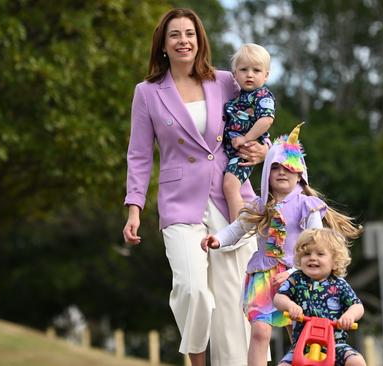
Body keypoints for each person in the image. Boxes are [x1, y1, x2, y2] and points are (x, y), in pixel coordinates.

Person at [122, 8, 270, 366]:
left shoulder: (224, 81)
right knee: (193, 290)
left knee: (235, 306)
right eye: (175, 34)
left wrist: (264, 150)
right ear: (163, 44)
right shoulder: (147, 93)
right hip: (179, 204)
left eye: (190, 33)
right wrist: (134, 209)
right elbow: (140, 156)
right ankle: (197, 361)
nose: (183, 40)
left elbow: (259, 115)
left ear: (199, 40)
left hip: (231, 200)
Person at [201, 124, 362, 366]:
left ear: (300, 174)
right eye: (275, 167)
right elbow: (237, 228)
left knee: (301, 337)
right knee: (260, 332)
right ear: (266, 173)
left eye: (289, 168)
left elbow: (317, 241)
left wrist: (295, 272)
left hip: (298, 279)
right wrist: (218, 239)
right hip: (263, 277)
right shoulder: (259, 206)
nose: (282, 172)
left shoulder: (307, 205)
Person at [273, 228, 366, 366]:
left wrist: (349, 316)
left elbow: (357, 306)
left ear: (335, 261)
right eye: (306, 254)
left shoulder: (339, 284)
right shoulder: (296, 279)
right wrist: (290, 306)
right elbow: (278, 298)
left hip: (335, 344)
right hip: (302, 345)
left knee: (356, 361)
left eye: (320, 254)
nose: (312, 257)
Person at [223, 43, 275, 221]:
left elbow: (266, 120)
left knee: (230, 185)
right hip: (232, 151)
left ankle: (236, 227)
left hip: (246, 150)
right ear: (235, 74)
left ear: (266, 75)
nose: (250, 74)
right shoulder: (237, 97)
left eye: (256, 70)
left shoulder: (262, 96)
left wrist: (246, 138)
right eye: (244, 69)